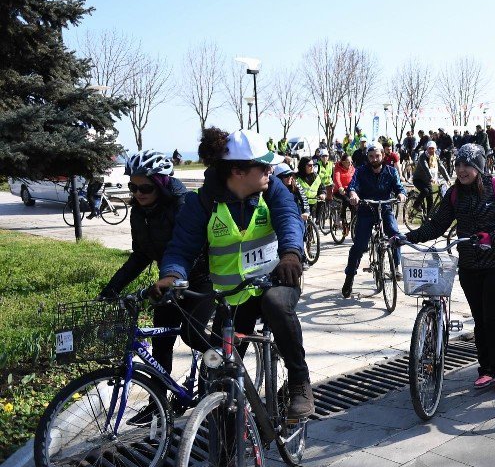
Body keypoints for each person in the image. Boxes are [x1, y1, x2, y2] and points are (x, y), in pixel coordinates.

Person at [156, 128, 313, 419]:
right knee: (216, 375)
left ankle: (299, 381)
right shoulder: (201, 202)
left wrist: (291, 253)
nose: (271, 169)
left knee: (277, 305)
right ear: (238, 171)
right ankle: (226, 460)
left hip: (276, 281)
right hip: (231, 298)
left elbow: (289, 219)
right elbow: (181, 247)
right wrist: (171, 275)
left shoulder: (273, 189)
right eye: (263, 165)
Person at [400, 144, 495, 392]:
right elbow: (437, 225)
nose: (461, 170)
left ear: (478, 166)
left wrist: (491, 237)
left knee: (494, 317)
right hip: (470, 266)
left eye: (467, 165)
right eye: (458, 165)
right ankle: (486, 369)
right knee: (480, 319)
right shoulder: (455, 194)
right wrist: (408, 237)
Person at [100, 151, 214, 417]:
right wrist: (112, 288)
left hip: (200, 279)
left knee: (192, 334)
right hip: (168, 282)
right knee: (161, 344)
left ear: (161, 183)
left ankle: (223, 365)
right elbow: (140, 254)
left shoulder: (184, 204)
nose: (138, 193)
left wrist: (176, 278)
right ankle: (158, 405)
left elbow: (193, 248)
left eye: (145, 187)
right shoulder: (140, 213)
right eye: (133, 186)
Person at [342, 144, 406, 297]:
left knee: (396, 235)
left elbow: (399, 188)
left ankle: (395, 267)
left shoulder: (391, 171)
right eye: (371, 156)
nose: (374, 159)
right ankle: (349, 277)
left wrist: (401, 195)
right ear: (368, 157)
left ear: (383, 156)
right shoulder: (361, 171)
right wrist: (353, 195)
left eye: (377, 156)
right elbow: (353, 186)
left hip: (385, 208)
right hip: (366, 209)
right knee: (359, 246)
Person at [412, 140, 449, 217]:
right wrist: (431, 178)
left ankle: (429, 217)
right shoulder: (422, 157)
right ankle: (416, 204)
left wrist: (447, 179)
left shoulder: (435, 157)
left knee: (430, 199)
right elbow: (426, 168)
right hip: (418, 179)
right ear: (427, 149)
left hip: (427, 180)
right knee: (425, 191)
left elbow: (441, 168)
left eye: (433, 148)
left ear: (435, 149)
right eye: (430, 148)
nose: (431, 150)